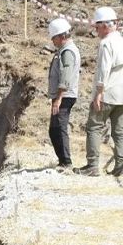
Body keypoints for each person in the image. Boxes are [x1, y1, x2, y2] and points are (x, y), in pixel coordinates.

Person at [79, 6, 123, 177]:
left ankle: (92, 165)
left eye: (97, 27)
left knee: (94, 127)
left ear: (105, 26)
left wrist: (98, 92)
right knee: (120, 132)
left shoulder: (106, 44)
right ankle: (120, 167)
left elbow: (104, 70)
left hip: (108, 94)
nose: (96, 31)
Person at [46, 17, 81, 168]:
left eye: (54, 38)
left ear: (61, 36)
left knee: (59, 128)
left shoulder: (68, 52)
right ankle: (62, 161)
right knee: (54, 130)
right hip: (61, 96)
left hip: (64, 96)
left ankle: (66, 162)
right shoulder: (63, 51)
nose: (53, 41)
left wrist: (59, 97)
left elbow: (66, 75)